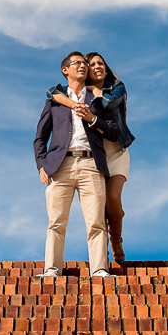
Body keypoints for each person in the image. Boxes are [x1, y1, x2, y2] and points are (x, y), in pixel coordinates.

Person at [33, 51, 121, 278]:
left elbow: (114, 132)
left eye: (84, 63)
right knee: (56, 222)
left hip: (92, 165)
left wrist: (93, 119)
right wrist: (42, 165)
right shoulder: (54, 101)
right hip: (59, 166)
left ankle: (99, 269)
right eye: (77, 63)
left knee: (96, 222)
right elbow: (40, 138)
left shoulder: (99, 99)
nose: (82, 66)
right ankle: (52, 269)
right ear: (65, 70)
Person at [46, 52, 135, 263]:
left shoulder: (116, 87)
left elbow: (109, 104)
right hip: (95, 154)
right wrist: (71, 101)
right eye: (91, 64)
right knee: (97, 205)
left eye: (100, 63)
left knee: (112, 198)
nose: (96, 67)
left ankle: (116, 240)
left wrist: (94, 90)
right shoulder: (78, 93)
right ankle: (101, 256)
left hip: (115, 152)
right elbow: (51, 93)